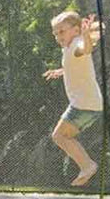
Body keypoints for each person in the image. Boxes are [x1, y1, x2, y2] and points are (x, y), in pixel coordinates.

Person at [43, 10, 103, 186]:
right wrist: (60, 72)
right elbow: (75, 66)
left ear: (76, 30)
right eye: (55, 34)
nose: (58, 36)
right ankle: (86, 165)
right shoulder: (69, 49)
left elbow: (86, 49)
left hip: (82, 105)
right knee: (63, 137)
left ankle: (87, 165)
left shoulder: (77, 44)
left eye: (61, 31)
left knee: (59, 136)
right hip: (92, 106)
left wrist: (86, 36)